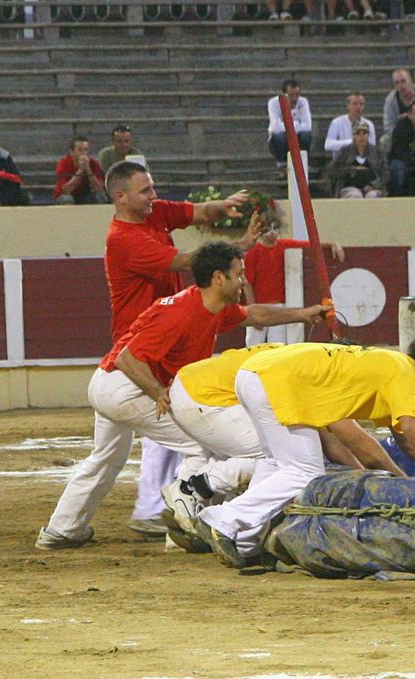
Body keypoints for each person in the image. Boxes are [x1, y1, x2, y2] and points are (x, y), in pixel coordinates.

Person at [35, 241, 330, 550]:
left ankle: (62, 529)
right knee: (201, 446)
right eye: (238, 274)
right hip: (127, 385)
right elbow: (128, 358)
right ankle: (185, 526)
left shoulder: (210, 307)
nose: (243, 280)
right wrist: (157, 392)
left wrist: (304, 314)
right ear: (219, 278)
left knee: (106, 457)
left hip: (108, 382)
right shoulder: (183, 313)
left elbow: (255, 315)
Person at [188, 331, 415, 568]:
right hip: (274, 380)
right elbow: (413, 428)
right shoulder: (403, 372)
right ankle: (223, 520)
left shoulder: (388, 367)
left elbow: (403, 439)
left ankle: (245, 541)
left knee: (276, 464)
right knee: (305, 472)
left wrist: (401, 481)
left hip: (256, 375)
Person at [102, 160, 259, 537]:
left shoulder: (154, 212)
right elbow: (188, 261)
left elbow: (198, 212)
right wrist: (237, 249)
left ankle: (65, 528)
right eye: (146, 191)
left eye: (153, 188)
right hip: (144, 348)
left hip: (149, 344)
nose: (154, 196)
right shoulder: (123, 238)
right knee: (175, 423)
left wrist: (226, 205)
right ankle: (157, 508)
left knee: (106, 454)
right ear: (121, 197)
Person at [162, 343, 406, 551]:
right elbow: (352, 441)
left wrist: (359, 473)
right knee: (284, 462)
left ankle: (237, 534)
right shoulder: (321, 373)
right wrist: (388, 483)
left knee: (269, 457)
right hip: (206, 396)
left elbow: (332, 441)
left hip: (189, 386)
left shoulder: (302, 357)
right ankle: (195, 492)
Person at [243, 221, 345, 347]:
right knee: (253, 346)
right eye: (268, 229)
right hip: (258, 306)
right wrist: (253, 309)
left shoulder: (283, 245)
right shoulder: (253, 253)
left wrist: (332, 243)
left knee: (277, 346)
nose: (272, 233)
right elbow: (247, 283)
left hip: (279, 306)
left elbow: (307, 244)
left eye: (275, 228)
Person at [327, 121, 389, 198]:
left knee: (372, 196)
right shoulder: (345, 151)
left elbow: (385, 174)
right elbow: (332, 171)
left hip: (373, 188)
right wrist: (352, 170)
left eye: (364, 133)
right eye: (358, 134)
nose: (362, 137)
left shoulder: (378, 152)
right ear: (353, 136)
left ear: (368, 135)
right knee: (355, 196)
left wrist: (373, 185)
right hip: (349, 187)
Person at [267, 79, 312, 173]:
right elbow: (276, 127)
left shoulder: (303, 102)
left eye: (297, 95)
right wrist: (296, 124)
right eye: (291, 95)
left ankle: (303, 163)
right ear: (284, 94)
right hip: (279, 141)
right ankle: (282, 166)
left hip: (297, 138)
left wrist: (288, 127)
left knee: (306, 135)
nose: (295, 99)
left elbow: (307, 126)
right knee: (280, 135)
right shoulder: (273, 103)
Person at [324, 91, 376, 160]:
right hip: (341, 163)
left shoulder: (369, 124)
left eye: (361, 104)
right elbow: (328, 145)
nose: (358, 107)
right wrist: (351, 142)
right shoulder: (337, 122)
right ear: (348, 106)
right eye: (355, 104)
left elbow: (372, 148)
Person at [53, 136, 105, 205]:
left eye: (86, 150)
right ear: (72, 152)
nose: (83, 153)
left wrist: (88, 169)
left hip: (85, 195)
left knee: (101, 197)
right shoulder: (63, 163)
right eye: (80, 150)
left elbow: (99, 190)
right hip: (66, 195)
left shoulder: (93, 164)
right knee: (67, 199)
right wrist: (80, 170)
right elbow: (66, 190)